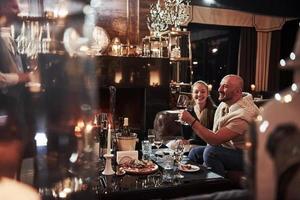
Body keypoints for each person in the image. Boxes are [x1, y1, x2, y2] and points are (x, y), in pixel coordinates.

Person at [180, 74, 259, 176]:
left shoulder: (245, 114)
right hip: (232, 150)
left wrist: (191, 121)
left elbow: (215, 139)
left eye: (225, 86)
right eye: (220, 85)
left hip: (249, 156)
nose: (219, 89)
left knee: (210, 152)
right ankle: (192, 183)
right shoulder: (224, 105)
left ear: (238, 91)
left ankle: (218, 185)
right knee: (195, 152)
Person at [0, 0, 32, 178]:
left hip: (16, 106)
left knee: (17, 156)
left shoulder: (8, 34)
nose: (19, 10)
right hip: (2, 109)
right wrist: (22, 77)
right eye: (14, 6)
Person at [167, 81, 216, 152]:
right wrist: (183, 123)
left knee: (184, 149)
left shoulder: (214, 111)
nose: (199, 94)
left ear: (207, 94)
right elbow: (186, 136)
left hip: (205, 146)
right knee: (170, 145)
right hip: (191, 144)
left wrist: (190, 142)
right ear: (192, 94)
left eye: (203, 92)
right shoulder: (189, 111)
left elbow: (211, 138)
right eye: (196, 92)